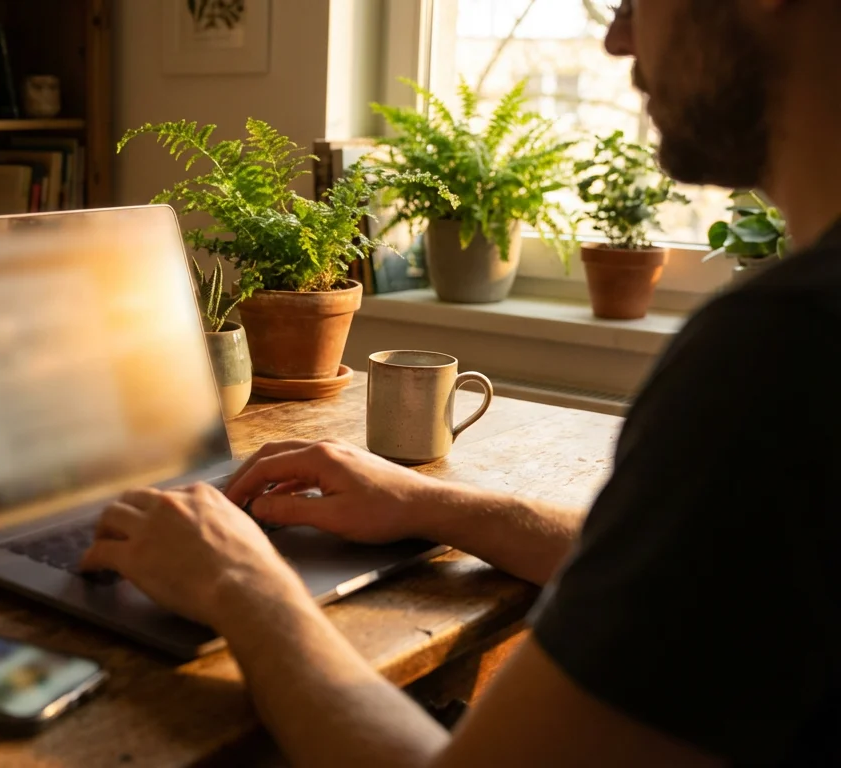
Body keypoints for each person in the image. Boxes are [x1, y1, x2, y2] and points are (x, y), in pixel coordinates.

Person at [80, 1, 841, 765]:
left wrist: (242, 585)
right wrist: (429, 503)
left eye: (636, 0)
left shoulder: (785, 351)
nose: (616, 37)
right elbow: (696, 582)